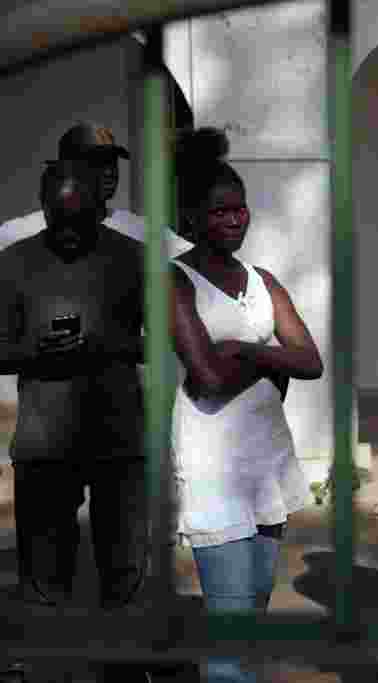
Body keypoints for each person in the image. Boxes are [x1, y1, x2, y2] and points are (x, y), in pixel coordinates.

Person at [169, 127, 323, 683]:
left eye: (240, 209)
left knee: (253, 614)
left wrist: (242, 352)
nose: (235, 220)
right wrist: (266, 356)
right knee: (230, 630)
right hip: (214, 462)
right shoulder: (174, 279)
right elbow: (207, 378)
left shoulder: (262, 280)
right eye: (219, 212)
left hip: (266, 458)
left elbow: (311, 360)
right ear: (190, 217)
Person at [0, 160, 154, 682]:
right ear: (43, 209)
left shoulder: (132, 258)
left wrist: (106, 344)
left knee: (126, 575)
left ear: (99, 209)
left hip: (120, 441)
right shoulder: (13, 262)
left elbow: (165, 340)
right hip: (44, 444)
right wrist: (33, 350)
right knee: (44, 579)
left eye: (79, 221)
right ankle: (49, 669)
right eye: (56, 220)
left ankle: (124, 671)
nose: (67, 233)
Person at [0, 122, 192, 256]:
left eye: (112, 162)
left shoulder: (144, 232)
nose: (110, 172)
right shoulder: (16, 233)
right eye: (97, 163)